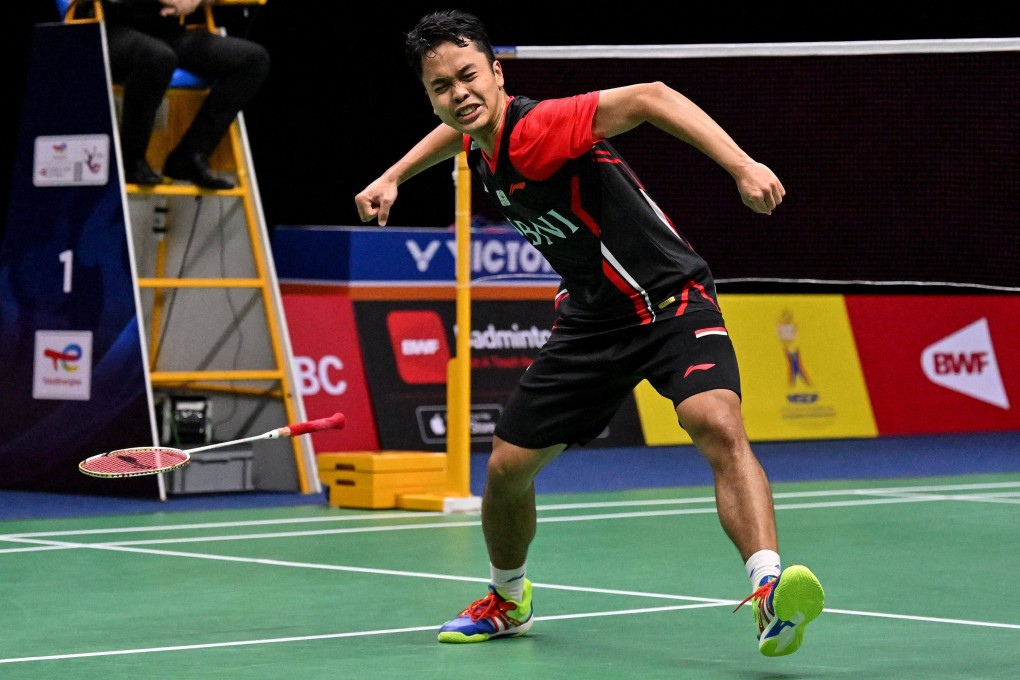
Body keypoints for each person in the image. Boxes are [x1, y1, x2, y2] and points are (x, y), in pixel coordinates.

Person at [355, 10, 824, 656]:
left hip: (670, 300)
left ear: (497, 72)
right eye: (442, 87)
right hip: (593, 321)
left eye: (468, 76)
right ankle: (508, 598)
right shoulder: (478, 140)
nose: (459, 94)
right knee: (506, 471)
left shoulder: (540, 128)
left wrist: (742, 166)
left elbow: (651, 96)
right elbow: (452, 136)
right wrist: (392, 177)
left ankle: (768, 590)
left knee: (715, 421)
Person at [101, 0, 270, 188]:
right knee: (159, 57)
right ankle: (131, 161)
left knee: (253, 59)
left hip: (167, 32)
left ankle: (189, 156)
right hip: (113, 29)